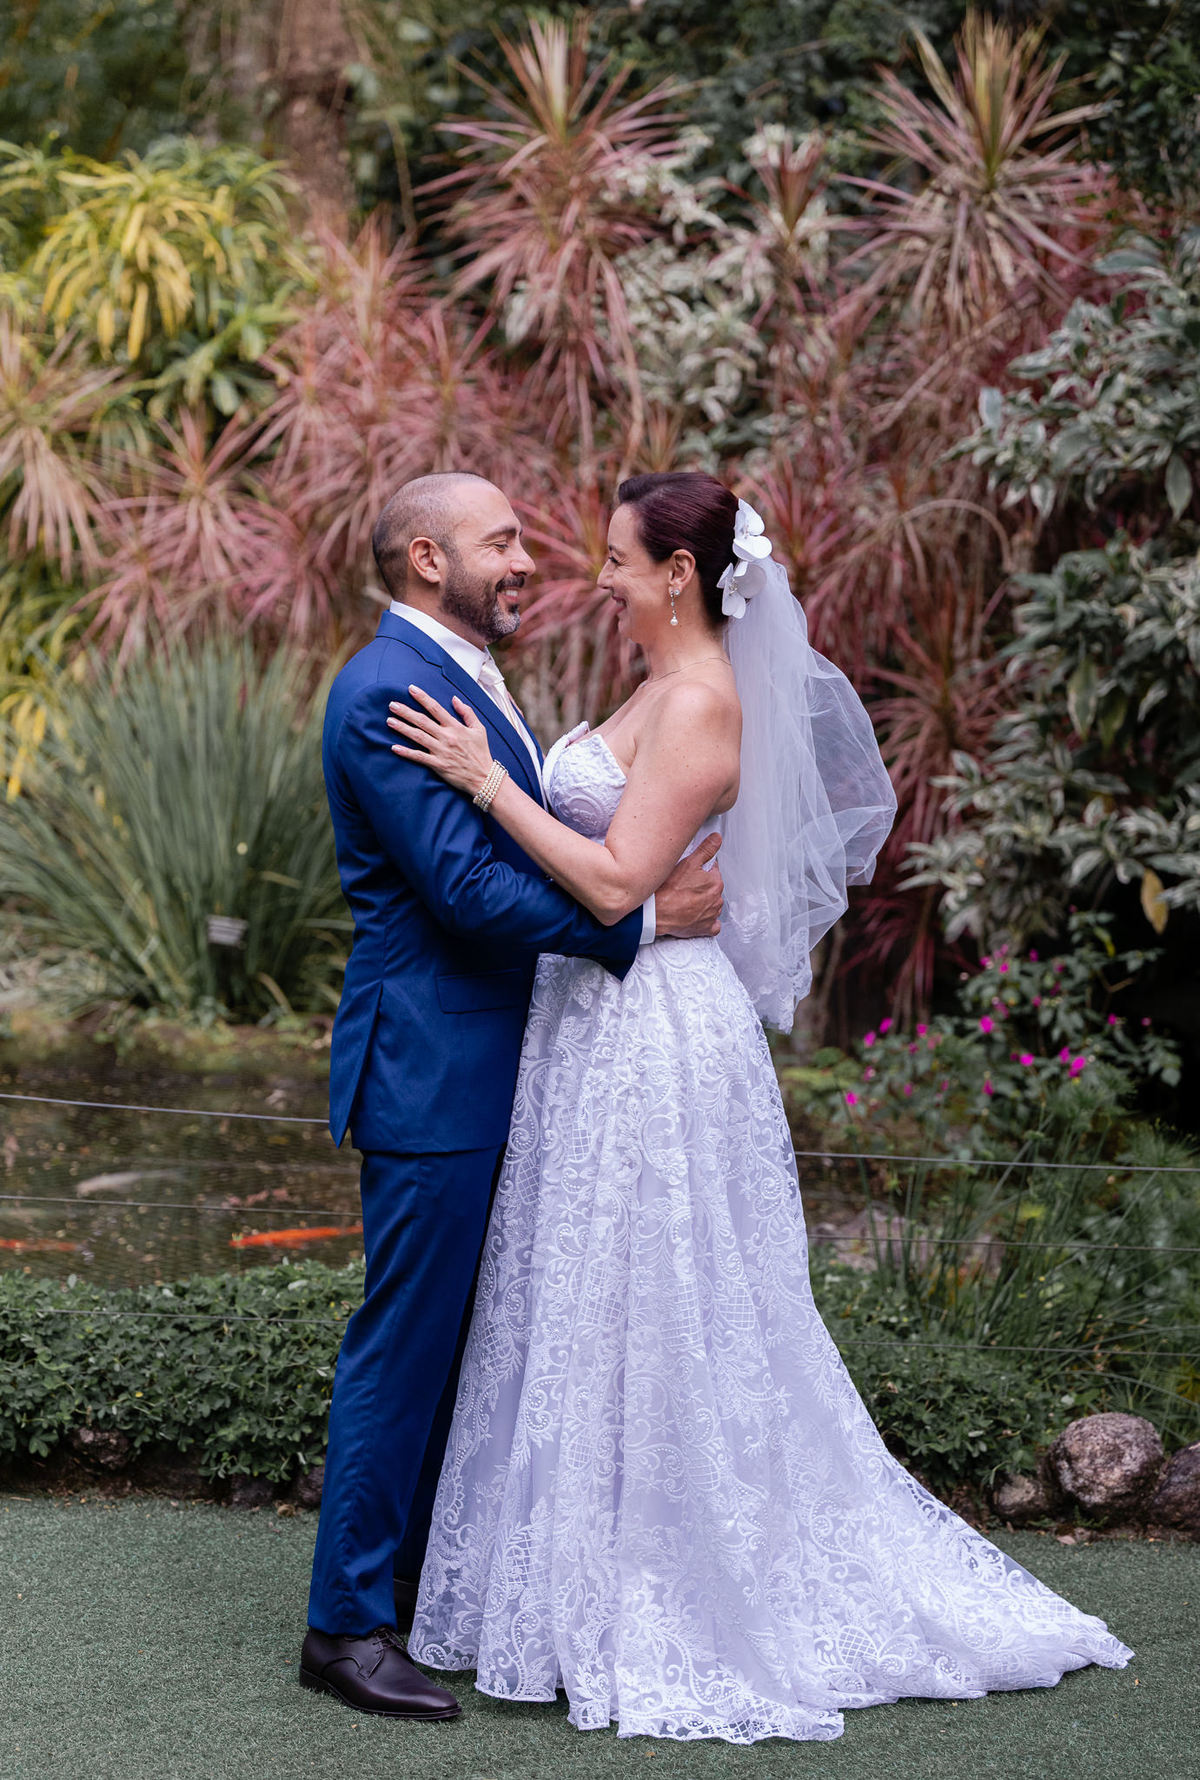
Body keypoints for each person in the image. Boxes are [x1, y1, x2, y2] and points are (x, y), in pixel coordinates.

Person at [386, 470, 1134, 1744]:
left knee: (667, 1298)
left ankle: (676, 1583)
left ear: (679, 574)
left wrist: (484, 782)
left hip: (658, 1031)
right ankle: (566, 1575)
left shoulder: (706, 704)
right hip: (589, 1025)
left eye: (620, 558)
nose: (602, 574)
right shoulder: (649, 683)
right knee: (580, 1296)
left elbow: (623, 879)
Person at [300, 472, 725, 1720]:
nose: (528, 559)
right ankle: (343, 1628)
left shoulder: (466, 676)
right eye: (505, 542)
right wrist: (637, 920)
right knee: (407, 1339)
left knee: (466, 1342)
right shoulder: (387, 689)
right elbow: (464, 893)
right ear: (427, 560)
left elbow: (519, 841)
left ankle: (425, 1589)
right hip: (431, 1061)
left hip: (501, 1057)